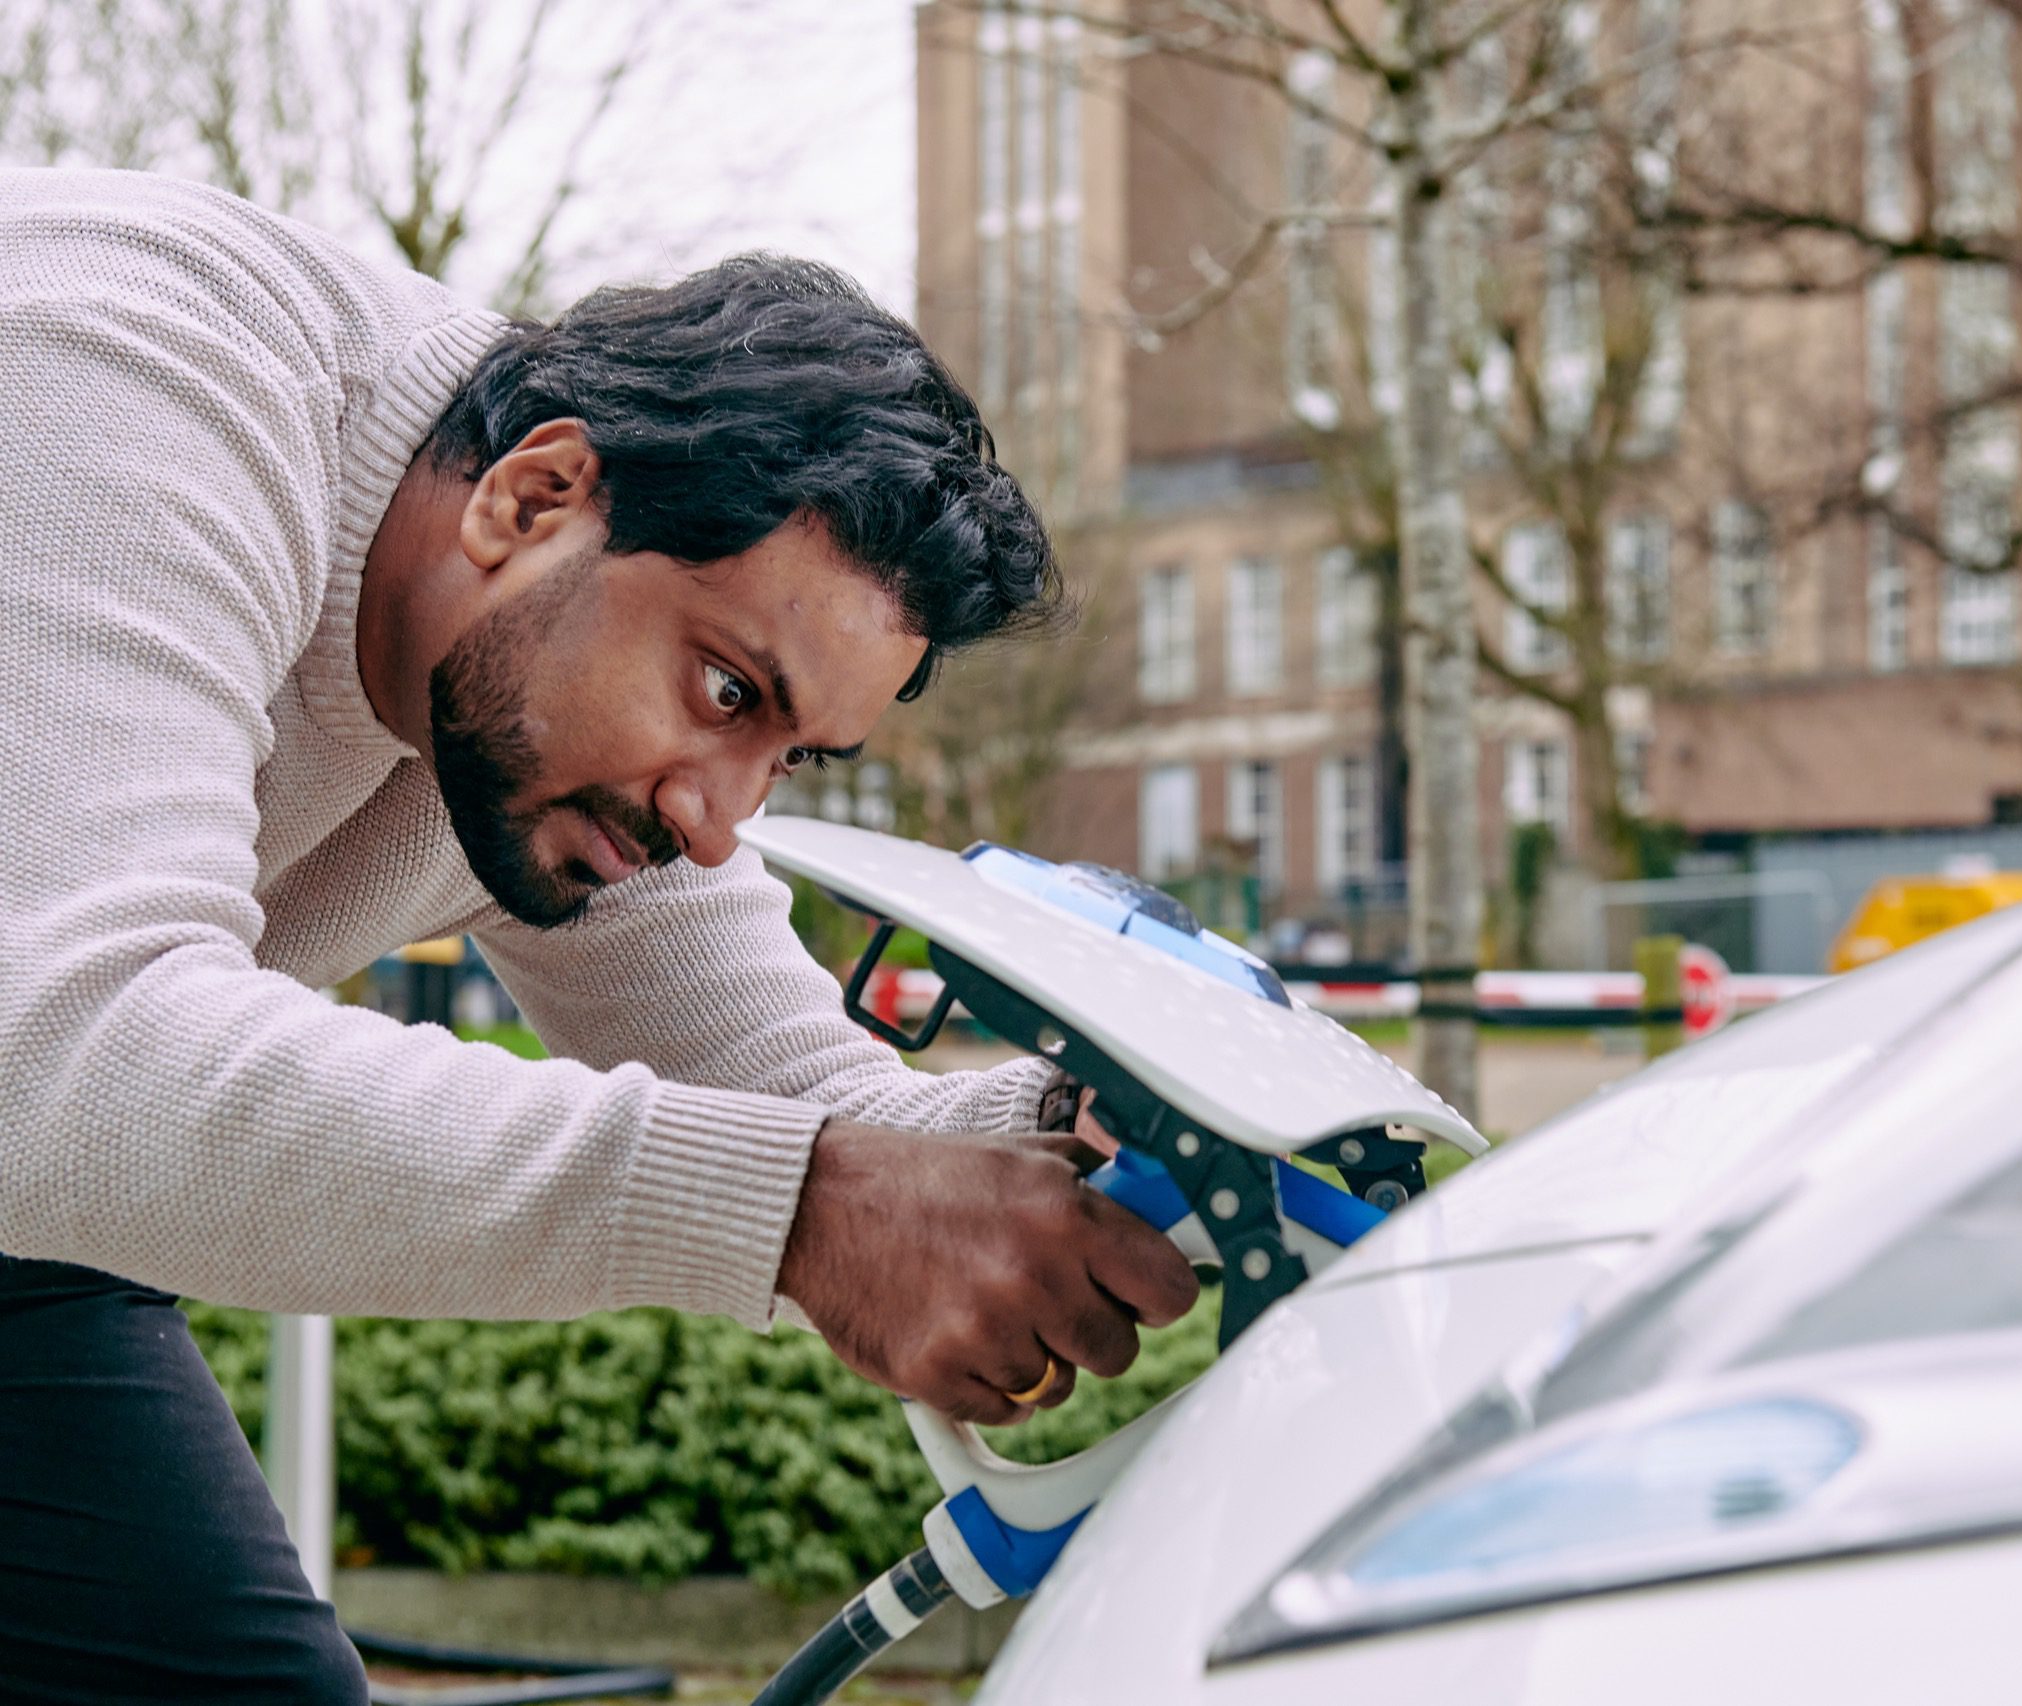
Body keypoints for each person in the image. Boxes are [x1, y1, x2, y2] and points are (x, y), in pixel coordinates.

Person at [0, 167, 1198, 1701]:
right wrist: (804, 1213)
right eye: (725, 692)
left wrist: (1093, 1133)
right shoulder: (120, 391)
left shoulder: (534, 667)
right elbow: (79, 1065)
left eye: (790, 753)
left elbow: (791, 1090)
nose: (717, 816)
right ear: (534, 497)